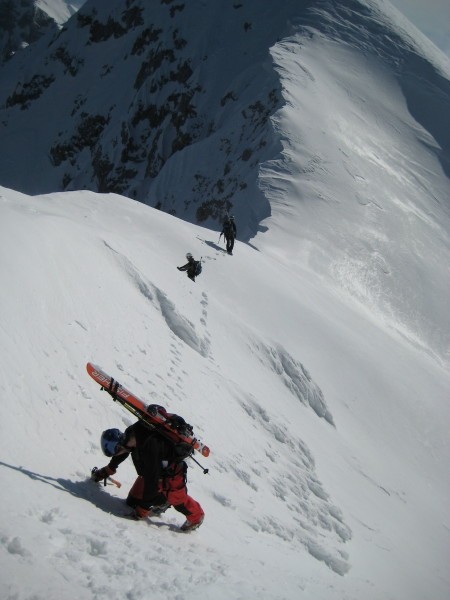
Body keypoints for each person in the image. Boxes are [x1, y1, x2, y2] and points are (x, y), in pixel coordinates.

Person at [92, 418, 205, 532]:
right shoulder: (132, 433)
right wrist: (108, 470)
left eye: (116, 450)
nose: (117, 453)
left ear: (120, 444)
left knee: (178, 500)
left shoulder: (151, 447)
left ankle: (196, 517)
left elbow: (152, 481)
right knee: (132, 502)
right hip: (152, 474)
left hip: (171, 476)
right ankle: (161, 500)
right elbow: (124, 452)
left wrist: (142, 510)